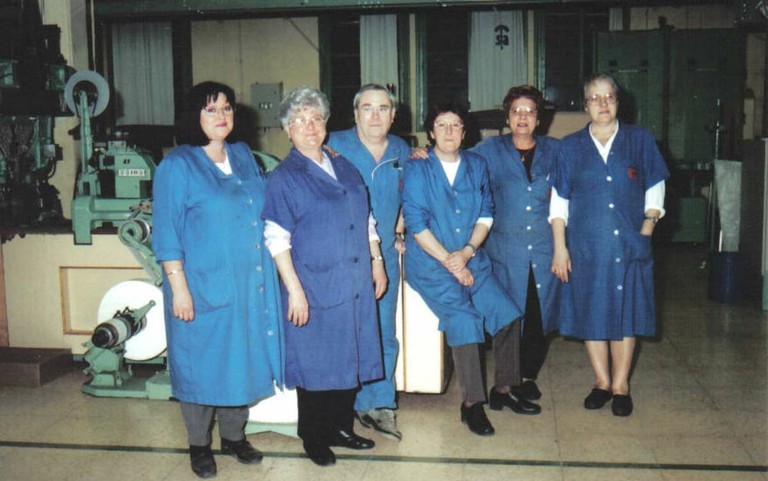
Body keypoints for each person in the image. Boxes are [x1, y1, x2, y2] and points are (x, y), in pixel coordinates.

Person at [152, 81, 283, 478]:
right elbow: (166, 233)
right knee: (202, 363)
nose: (222, 116)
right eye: (211, 110)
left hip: (248, 284)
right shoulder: (178, 165)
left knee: (240, 358)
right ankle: (198, 444)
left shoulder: (242, 155)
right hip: (201, 285)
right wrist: (179, 290)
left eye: (226, 108)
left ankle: (234, 437)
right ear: (194, 116)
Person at [262, 86, 386, 466]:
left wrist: (377, 261)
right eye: (299, 120)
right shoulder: (284, 177)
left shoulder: (342, 164)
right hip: (314, 284)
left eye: (315, 118)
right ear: (288, 130)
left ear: (326, 124)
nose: (309, 126)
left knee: (350, 355)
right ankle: (314, 436)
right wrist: (295, 291)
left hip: (354, 279)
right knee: (316, 363)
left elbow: (366, 218)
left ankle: (340, 428)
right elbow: (276, 238)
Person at [549, 73, 669, 417]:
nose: (602, 104)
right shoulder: (569, 147)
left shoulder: (639, 139)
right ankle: (601, 382)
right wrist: (560, 247)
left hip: (630, 243)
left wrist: (646, 230)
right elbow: (559, 202)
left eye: (609, 97)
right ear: (585, 105)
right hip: (586, 246)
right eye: (595, 98)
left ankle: (621, 386)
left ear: (618, 101)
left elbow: (655, 188)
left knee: (626, 313)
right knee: (592, 310)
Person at [402, 102, 523, 436]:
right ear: (431, 132)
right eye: (442, 125)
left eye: (456, 125)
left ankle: (504, 388)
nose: (449, 131)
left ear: (464, 132)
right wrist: (453, 264)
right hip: (431, 265)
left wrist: (468, 253)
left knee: (507, 314)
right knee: (465, 320)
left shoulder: (476, 164)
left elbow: (486, 213)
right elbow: (416, 224)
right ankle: (472, 404)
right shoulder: (417, 168)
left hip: (471, 259)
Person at [326, 83, 410, 441]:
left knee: (382, 332)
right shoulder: (332, 144)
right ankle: (343, 403)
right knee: (343, 332)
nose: (375, 116)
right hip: (339, 254)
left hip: (384, 254)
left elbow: (411, 194)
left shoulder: (403, 150)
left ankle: (379, 403)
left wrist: (402, 224)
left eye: (383, 108)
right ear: (355, 113)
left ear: (393, 115)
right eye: (367, 108)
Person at [472, 85, 560, 411]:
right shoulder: (488, 150)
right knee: (508, 317)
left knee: (538, 317)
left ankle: (525, 377)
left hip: (544, 249)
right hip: (503, 250)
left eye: (530, 111)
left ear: (539, 118)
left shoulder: (556, 151)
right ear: (507, 117)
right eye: (516, 111)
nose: (523, 117)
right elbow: (455, 163)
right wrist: (422, 154)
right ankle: (506, 383)